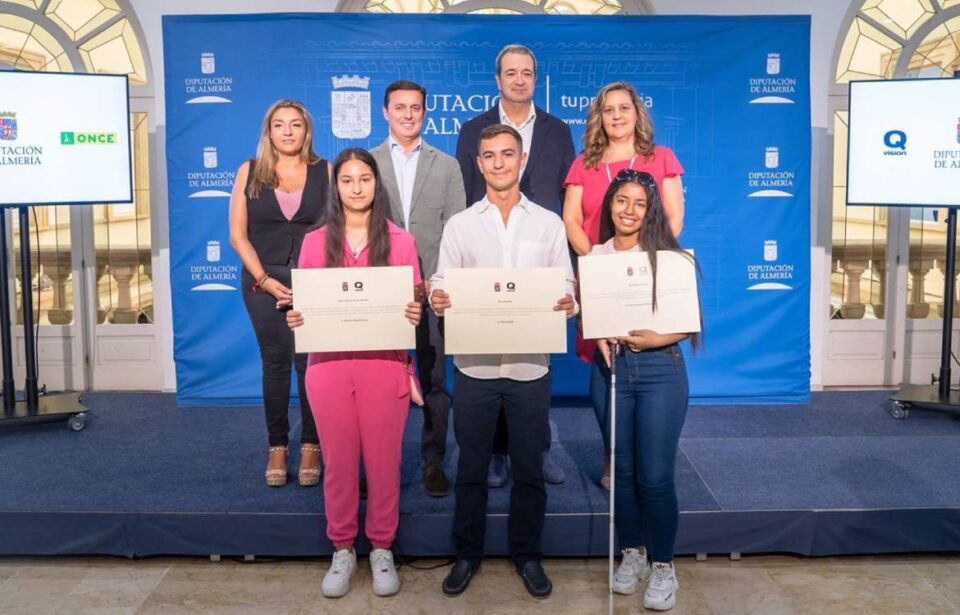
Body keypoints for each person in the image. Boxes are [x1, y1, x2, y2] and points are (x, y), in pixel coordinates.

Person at [432, 124, 577, 599]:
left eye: (507, 154)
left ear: (522, 160)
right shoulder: (460, 225)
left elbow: (568, 286)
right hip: (474, 367)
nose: (498, 163)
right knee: (471, 468)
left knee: (529, 471)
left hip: (530, 366)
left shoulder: (549, 223)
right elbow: (440, 280)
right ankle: (466, 554)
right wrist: (438, 296)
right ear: (478, 163)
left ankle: (527, 554)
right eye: (489, 156)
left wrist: (568, 302)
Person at [286, 148, 422, 599]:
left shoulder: (400, 240)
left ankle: (382, 546)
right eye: (347, 180)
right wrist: (297, 317)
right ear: (336, 187)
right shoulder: (314, 242)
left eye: (365, 178)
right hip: (328, 367)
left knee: (385, 463)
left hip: (384, 366)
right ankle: (342, 547)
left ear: (375, 185)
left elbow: (413, 300)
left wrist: (414, 311)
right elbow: (306, 305)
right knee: (339, 463)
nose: (357, 187)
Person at [456, 43, 576, 487]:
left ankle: (535, 448)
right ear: (498, 79)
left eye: (527, 72)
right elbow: (468, 194)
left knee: (532, 364)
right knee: (490, 360)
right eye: (511, 73)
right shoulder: (474, 130)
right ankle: (496, 454)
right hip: (487, 260)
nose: (519, 79)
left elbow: (566, 199)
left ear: (536, 78)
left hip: (539, 259)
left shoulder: (559, 131)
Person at [562, 81, 685, 490]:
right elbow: (572, 222)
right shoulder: (584, 164)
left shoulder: (662, 158)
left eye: (623, 108)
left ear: (637, 114)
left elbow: (672, 220)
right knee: (607, 361)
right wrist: (599, 263)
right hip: (600, 275)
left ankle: (648, 457)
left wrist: (638, 260)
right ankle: (613, 454)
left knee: (642, 349)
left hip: (649, 275)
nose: (616, 116)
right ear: (599, 116)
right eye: (608, 110)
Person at [587, 169, 699, 611]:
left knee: (655, 476)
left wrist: (655, 339)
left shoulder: (669, 256)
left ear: (650, 209)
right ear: (610, 204)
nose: (629, 211)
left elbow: (688, 322)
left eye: (639, 203)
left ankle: (664, 565)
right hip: (611, 372)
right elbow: (590, 314)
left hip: (659, 372)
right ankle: (632, 552)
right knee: (623, 473)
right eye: (621, 201)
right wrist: (596, 332)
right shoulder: (595, 255)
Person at [371, 79, 466, 498]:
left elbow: (456, 229)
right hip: (379, 292)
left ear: (425, 113)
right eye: (399, 107)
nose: (408, 115)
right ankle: (378, 465)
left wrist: (439, 279)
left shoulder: (446, 165)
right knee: (378, 383)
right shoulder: (365, 164)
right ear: (385, 112)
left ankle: (432, 459)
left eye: (415, 108)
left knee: (434, 381)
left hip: (431, 289)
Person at [228, 99, 328, 488]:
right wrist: (265, 280)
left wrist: (310, 282)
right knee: (275, 364)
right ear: (268, 132)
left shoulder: (326, 171)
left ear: (307, 131)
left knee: (310, 365)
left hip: (313, 283)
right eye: (279, 125)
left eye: (296, 125)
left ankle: (311, 445)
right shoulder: (249, 171)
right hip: (261, 282)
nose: (287, 131)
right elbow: (238, 234)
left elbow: (333, 230)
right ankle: (277, 446)